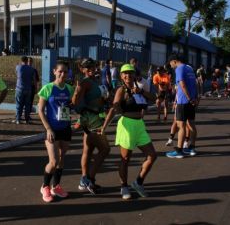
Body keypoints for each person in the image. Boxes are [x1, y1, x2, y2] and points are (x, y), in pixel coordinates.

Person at [101, 64, 157, 199]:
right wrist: (104, 126)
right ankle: (124, 186)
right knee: (125, 159)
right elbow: (114, 108)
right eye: (125, 73)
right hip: (127, 125)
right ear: (121, 76)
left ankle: (138, 182)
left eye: (130, 73)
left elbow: (154, 99)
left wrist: (141, 92)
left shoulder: (139, 89)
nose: (128, 76)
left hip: (139, 126)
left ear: (135, 75)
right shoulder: (121, 90)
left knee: (152, 156)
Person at [72, 58, 110, 194]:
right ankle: (89, 179)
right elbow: (77, 104)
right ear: (82, 69)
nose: (91, 69)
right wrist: (83, 119)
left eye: (92, 66)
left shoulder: (94, 81)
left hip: (96, 118)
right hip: (92, 120)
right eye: (87, 67)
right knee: (105, 149)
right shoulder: (85, 82)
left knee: (88, 151)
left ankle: (84, 180)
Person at [37, 61, 74, 203]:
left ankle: (56, 186)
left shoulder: (70, 89)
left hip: (65, 128)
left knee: (62, 159)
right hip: (51, 129)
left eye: (65, 72)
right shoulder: (48, 88)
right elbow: (40, 110)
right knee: (53, 161)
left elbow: (71, 105)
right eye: (60, 71)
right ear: (54, 71)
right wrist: (48, 128)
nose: (62, 74)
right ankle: (45, 186)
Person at [166, 53, 198, 159]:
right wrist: (194, 98)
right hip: (191, 101)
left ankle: (179, 150)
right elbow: (195, 84)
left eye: (170, 63)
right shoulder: (190, 69)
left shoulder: (179, 69)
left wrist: (188, 98)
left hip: (183, 101)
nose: (170, 66)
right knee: (191, 124)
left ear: (174, 61)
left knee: (181, 126)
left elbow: (182, 84)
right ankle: (191, 148)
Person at [15, 56, 36, 124]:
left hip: (19, 88)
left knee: (19, 104)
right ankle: (27, 119)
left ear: (21, 61)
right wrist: (35, 87)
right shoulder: (32, 69)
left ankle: (18, 119)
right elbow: (33, 79)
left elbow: (17, 73)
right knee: (27, 105)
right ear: (27, 61)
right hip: (28, 89)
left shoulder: (18, 67)